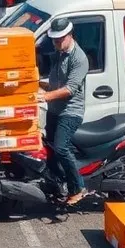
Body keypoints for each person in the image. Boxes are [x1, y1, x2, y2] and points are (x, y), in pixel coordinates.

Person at [38, 16, 90, 206]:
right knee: (49, 149)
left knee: (61, 147)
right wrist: (36, 84)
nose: (56, 42)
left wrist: (45, 97)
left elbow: (69, 89)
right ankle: (57, 184)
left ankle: (78, 187)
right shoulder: (59, 53)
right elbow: (54, 83)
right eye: (54, 39)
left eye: (60, 39)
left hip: (70, 112)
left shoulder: (79, 58)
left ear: (69, 35)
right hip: (55, 110)